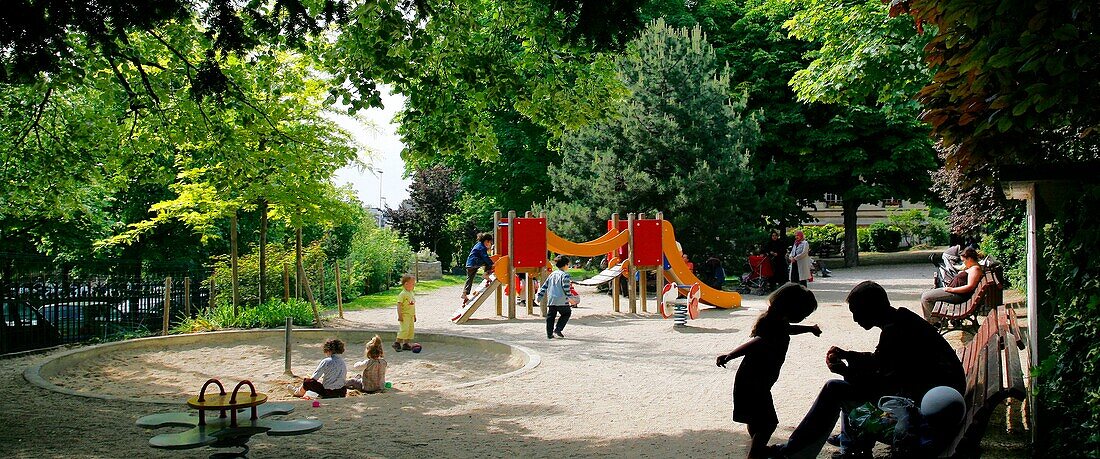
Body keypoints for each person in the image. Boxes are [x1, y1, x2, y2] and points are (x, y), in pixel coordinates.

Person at [774, 281, 965, 458]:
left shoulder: (895, 332)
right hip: (937, 393)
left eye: (857, 312)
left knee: (835, 389)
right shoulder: (901, 320)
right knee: (846, 386)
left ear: (872, 309)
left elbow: (879, 383)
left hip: (927, 413)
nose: (855, 319)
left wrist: (844, 371)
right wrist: (849, 355)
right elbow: (881, 362)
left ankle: (794, 452)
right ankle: (848, 446)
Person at [716, 283, 822, 458]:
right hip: (755, 382)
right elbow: (757, 342)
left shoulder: (775, 321)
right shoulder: (774, 326)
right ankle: (755, 454)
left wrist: (809, 329)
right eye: (803, 315)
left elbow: (789, 329)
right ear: (791, 309)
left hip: (752, 380)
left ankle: (758, 448)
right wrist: (730, 355)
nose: (804, 318)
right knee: (768, 423)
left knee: (755, 419)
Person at [920, 247, 984, 320]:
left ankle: (933, 322)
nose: (963, 263)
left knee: (926, 298)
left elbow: (970, 286)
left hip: (958, 295)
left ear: (969, 258)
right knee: (926, 295)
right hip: (956, 292)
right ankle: (935, 321)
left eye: (964, 260)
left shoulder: (975, 269)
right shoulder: (972, 267)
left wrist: (952, 290)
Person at [537, 255, 577, 339]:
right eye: (568, 265)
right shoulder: (565, 275)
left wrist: (539, 296)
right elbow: (566, 289)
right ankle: (558, 329)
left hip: (552, 300)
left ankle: (549, 334)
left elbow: (544, 286)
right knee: (566, 313)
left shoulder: (551, 275)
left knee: (550, 317)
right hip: (562, 300)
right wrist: (571, 299)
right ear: (565, 265)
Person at [462, 232, 495, 303]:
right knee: (488, 262)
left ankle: (464, 294)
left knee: (469, 279)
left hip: (469, 264)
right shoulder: (482, 247)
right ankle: (485, 274)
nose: (490, 244)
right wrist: (492, 264)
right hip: (475, 262)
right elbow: (485, 257)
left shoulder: (478, 244)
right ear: (486, 241)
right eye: (490, 243)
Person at [393, 274, 416, 352]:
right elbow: (399, 305)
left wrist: (414, 315)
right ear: (406, 284)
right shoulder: (402, 294)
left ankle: (405, 344)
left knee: (410, 330)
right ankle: (397, 343)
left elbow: (412, 305)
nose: (414, 285)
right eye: (412, 284)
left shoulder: (411, 293)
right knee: (404, 329)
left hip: (411, 315)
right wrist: (400, 315)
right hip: (405, 315)